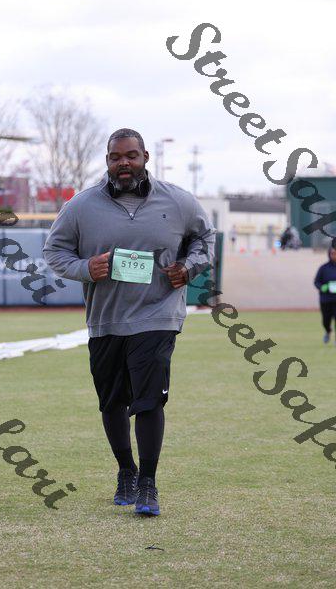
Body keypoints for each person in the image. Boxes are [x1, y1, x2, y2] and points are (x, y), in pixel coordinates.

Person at [43, 128, 216, 516]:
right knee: (112, 402)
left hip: (158, 315)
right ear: (107, 161)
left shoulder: (179, 201)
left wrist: (188, 267)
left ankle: (148, 484)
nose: (124, 163)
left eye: (131, 156)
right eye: (116, 157)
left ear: (145, 157)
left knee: (149, 399)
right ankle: (126, 471)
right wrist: (85, 268)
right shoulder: (81, 206)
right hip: (106, 319)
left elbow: (205, 239)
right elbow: (54, 251)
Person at [314, 244, 336, 344]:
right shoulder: (323, 268)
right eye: (332, 253)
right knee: (326, 320)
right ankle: (328, 331)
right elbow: (316, 282)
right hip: (326, 299)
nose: (334, 255)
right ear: (329, 254)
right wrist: (322, 287)